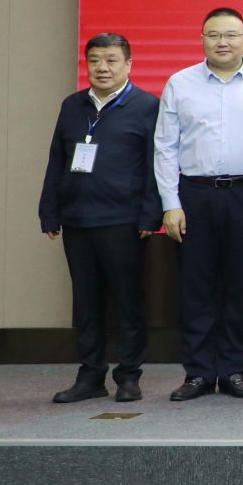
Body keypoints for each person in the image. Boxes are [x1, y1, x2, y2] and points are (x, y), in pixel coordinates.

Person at [154, 6, 243, 401]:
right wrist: (170, 202)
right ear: (202, 39)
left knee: (242, 285)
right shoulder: (180, 83)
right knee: (196, 286)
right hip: (195, 194)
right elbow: (165, 146)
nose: (222, 42)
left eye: (230, 34)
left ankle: (236, 370)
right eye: (213, 35)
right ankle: (198, 373)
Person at [38, 33, 162, 403]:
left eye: (111, 60)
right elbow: (57, 160)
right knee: (86, 303)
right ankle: (90, 375)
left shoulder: (147, 106)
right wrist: (49, 211)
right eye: (94, 60)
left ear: (128, 64)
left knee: (127, 300)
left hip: (123, 221)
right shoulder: (72, 105)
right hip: (77, 219)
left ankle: (129, 375)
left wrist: (150, 215)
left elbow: (156, 165)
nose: (102, 68)